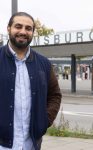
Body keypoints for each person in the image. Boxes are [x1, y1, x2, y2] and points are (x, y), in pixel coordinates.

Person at [0, 12, 62, 150]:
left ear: (33, 32)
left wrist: (44, 121)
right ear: (8, 28)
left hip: (32, 144)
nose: (23, 31)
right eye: (18, 26)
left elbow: (54, 95)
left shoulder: (44, 63)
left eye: (28, 28)